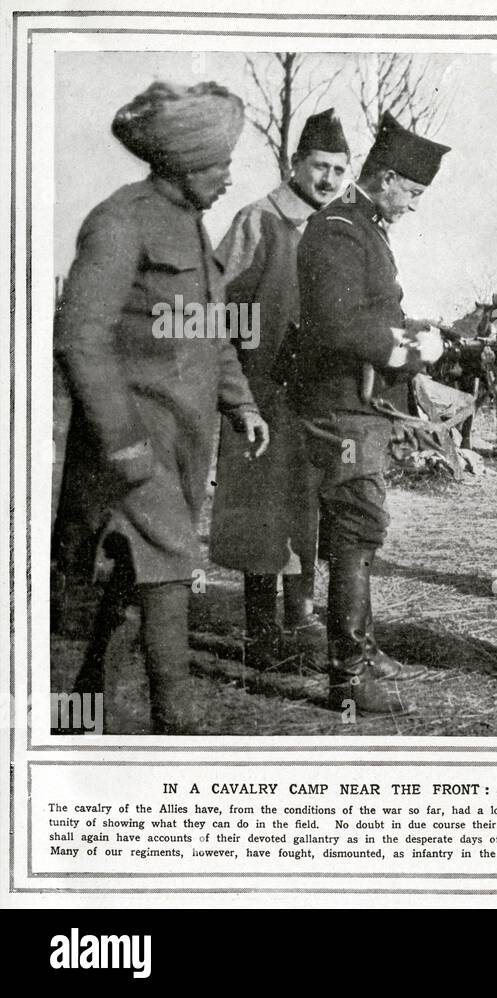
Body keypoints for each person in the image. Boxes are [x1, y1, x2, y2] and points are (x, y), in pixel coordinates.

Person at [54, 81, 268, 733]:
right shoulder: (120, 222)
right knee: (171, 561)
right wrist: (122, 443)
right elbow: (79, 339)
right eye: (219, 165)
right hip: (133, 444)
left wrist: (244, 405)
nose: (230, 179)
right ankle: (176, 722)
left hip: (181, 441)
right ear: (182, 163)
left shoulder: (191, 230)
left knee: (135, 580)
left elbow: (214, 333)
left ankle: (76, 713)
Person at [288, 111, 448, 716]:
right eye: (410, 191)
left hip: (359, 406)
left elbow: (371, 312)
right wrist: (408, 346)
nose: (411, 204)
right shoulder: (337, 230)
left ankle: (364, 648)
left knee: (358, 528)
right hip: (339, 407)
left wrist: (423, 333)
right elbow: (337, 323)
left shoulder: (362, 228)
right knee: (356, 529)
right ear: (383, 180)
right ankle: (347, 677)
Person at [209, 109, 352, 673]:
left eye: (339, 170)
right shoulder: (257, 219)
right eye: (320, 166)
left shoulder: (336, 228)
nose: (329, 179)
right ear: (296, 163)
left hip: (314, 399)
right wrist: (238, 387)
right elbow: (214, 305)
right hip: (260, 393)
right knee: (260, 515)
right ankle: (260, 634)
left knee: (305, 510)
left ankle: (300, 621)